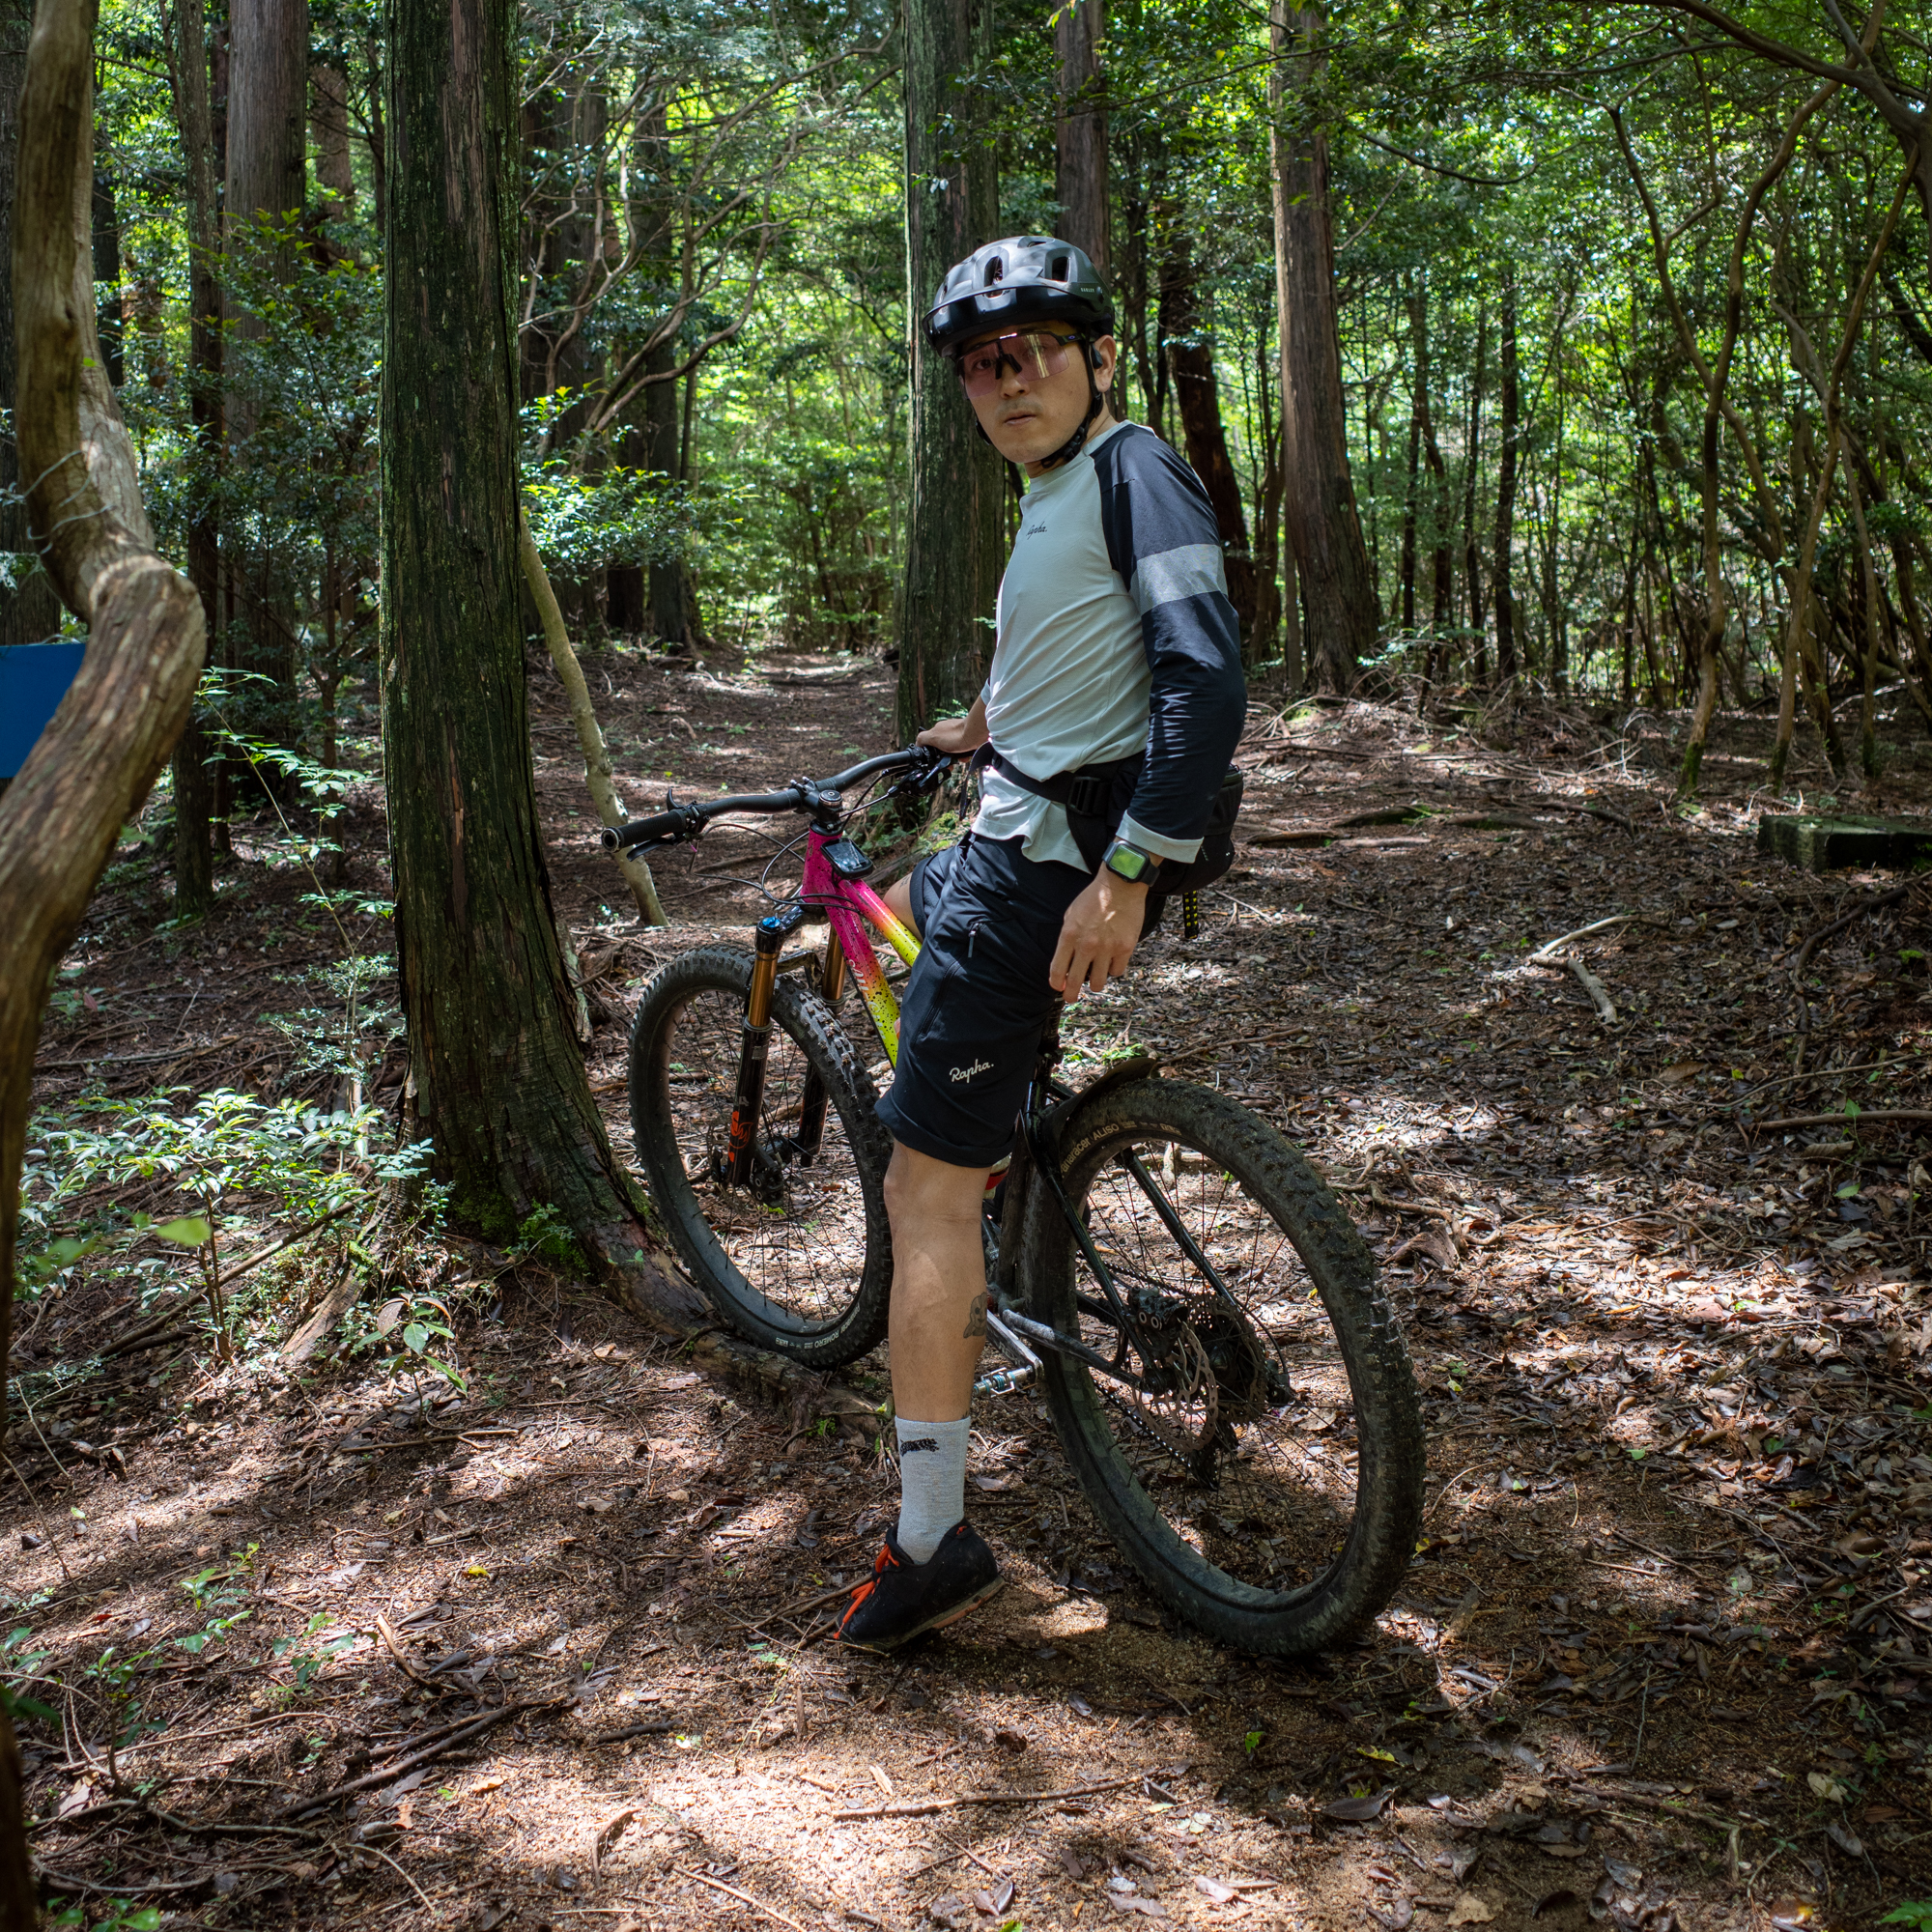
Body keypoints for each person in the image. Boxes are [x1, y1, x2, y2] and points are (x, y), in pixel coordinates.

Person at [835, 236, 1246, 1651]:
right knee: (917, 899)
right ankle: (1007, 1123)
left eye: (1031, 352)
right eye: (978, 365)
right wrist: (975, 727)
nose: (1004, 381)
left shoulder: (1134, 468)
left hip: (1064, 862)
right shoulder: (1064, 489)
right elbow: (1085, 651)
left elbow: (1204, 682)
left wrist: (1130, 873)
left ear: (1094, 357)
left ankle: (930, 1537)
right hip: (1015, 831)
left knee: (925, 1190)